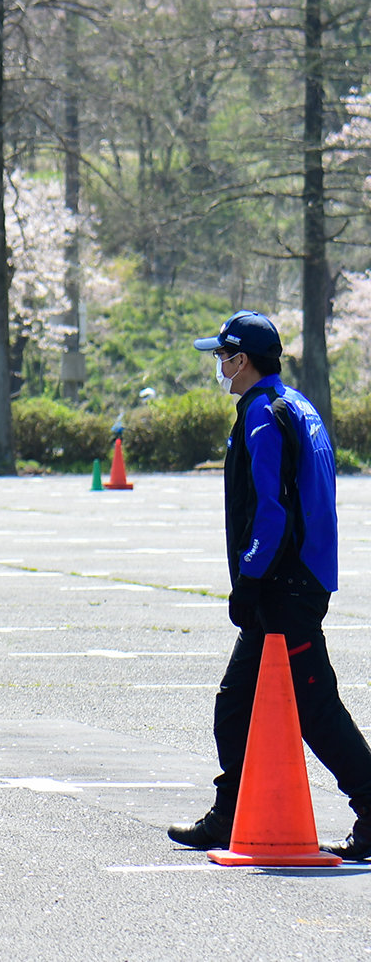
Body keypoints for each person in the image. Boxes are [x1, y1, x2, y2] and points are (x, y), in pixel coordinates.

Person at [169, 311, 371, 858]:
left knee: (314, 709)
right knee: (236, 703)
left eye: (222, 355)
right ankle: (230, 813)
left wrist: (250, 580)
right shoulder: (296, 405)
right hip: (297, 580)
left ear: (243, 359)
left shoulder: (262, 415)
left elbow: (272, 513)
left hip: (284, 587)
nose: (218, 365)